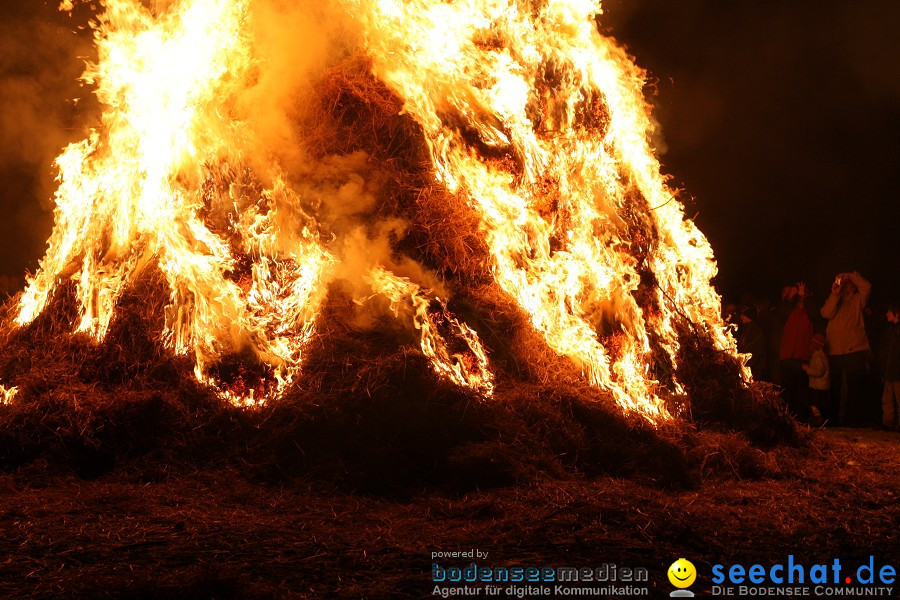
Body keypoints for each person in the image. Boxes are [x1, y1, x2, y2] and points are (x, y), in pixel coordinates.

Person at [820, 271, 871, 426]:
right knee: (835, 386)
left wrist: (852, 275)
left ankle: (852, 419)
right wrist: (835, 294)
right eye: (844, 283)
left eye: (848, 284)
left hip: (854, 348)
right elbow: (825, 313)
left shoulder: (858, 299)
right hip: (835, 349)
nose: (846, 285)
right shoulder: (834, 300)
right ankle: (833, 418)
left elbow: (867, 287)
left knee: (854, 386)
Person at [778, 282, 814, 419]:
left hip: (802, 355)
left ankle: (799, 419)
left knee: (800, 391)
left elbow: (816, 313)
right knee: (787, 390)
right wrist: (791, 297)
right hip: (787, 355)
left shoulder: (809, 312)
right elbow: (780, 314)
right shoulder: (789, 311)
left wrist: (805, 297)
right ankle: (786, 418)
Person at [877, 304, 900, 431]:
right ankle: (888, 422)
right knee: (887, 399)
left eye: (889, 312)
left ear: (897, 314)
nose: (887, 314)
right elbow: (884, 351)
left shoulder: (897, 331)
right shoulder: (889, 331)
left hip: (897, 372)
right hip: (888, 372)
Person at [802, 334, 829, 426]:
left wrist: (807, 369)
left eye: (812, 345)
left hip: (818, 387)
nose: (809, 346)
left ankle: (818, 421)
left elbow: (819, 372)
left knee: (816, 406)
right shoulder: (817, 357)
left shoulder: (819, 358)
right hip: (817, 386)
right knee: (815, 406)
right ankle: (817, 420)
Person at [737, 305, 767, 380]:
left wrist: (746, 363)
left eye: (743, 315)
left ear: (748, 316)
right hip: (747, 365)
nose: (741, 317)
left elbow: (754, 350)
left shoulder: (755, 330)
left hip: (754, 367)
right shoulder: (747, 328)